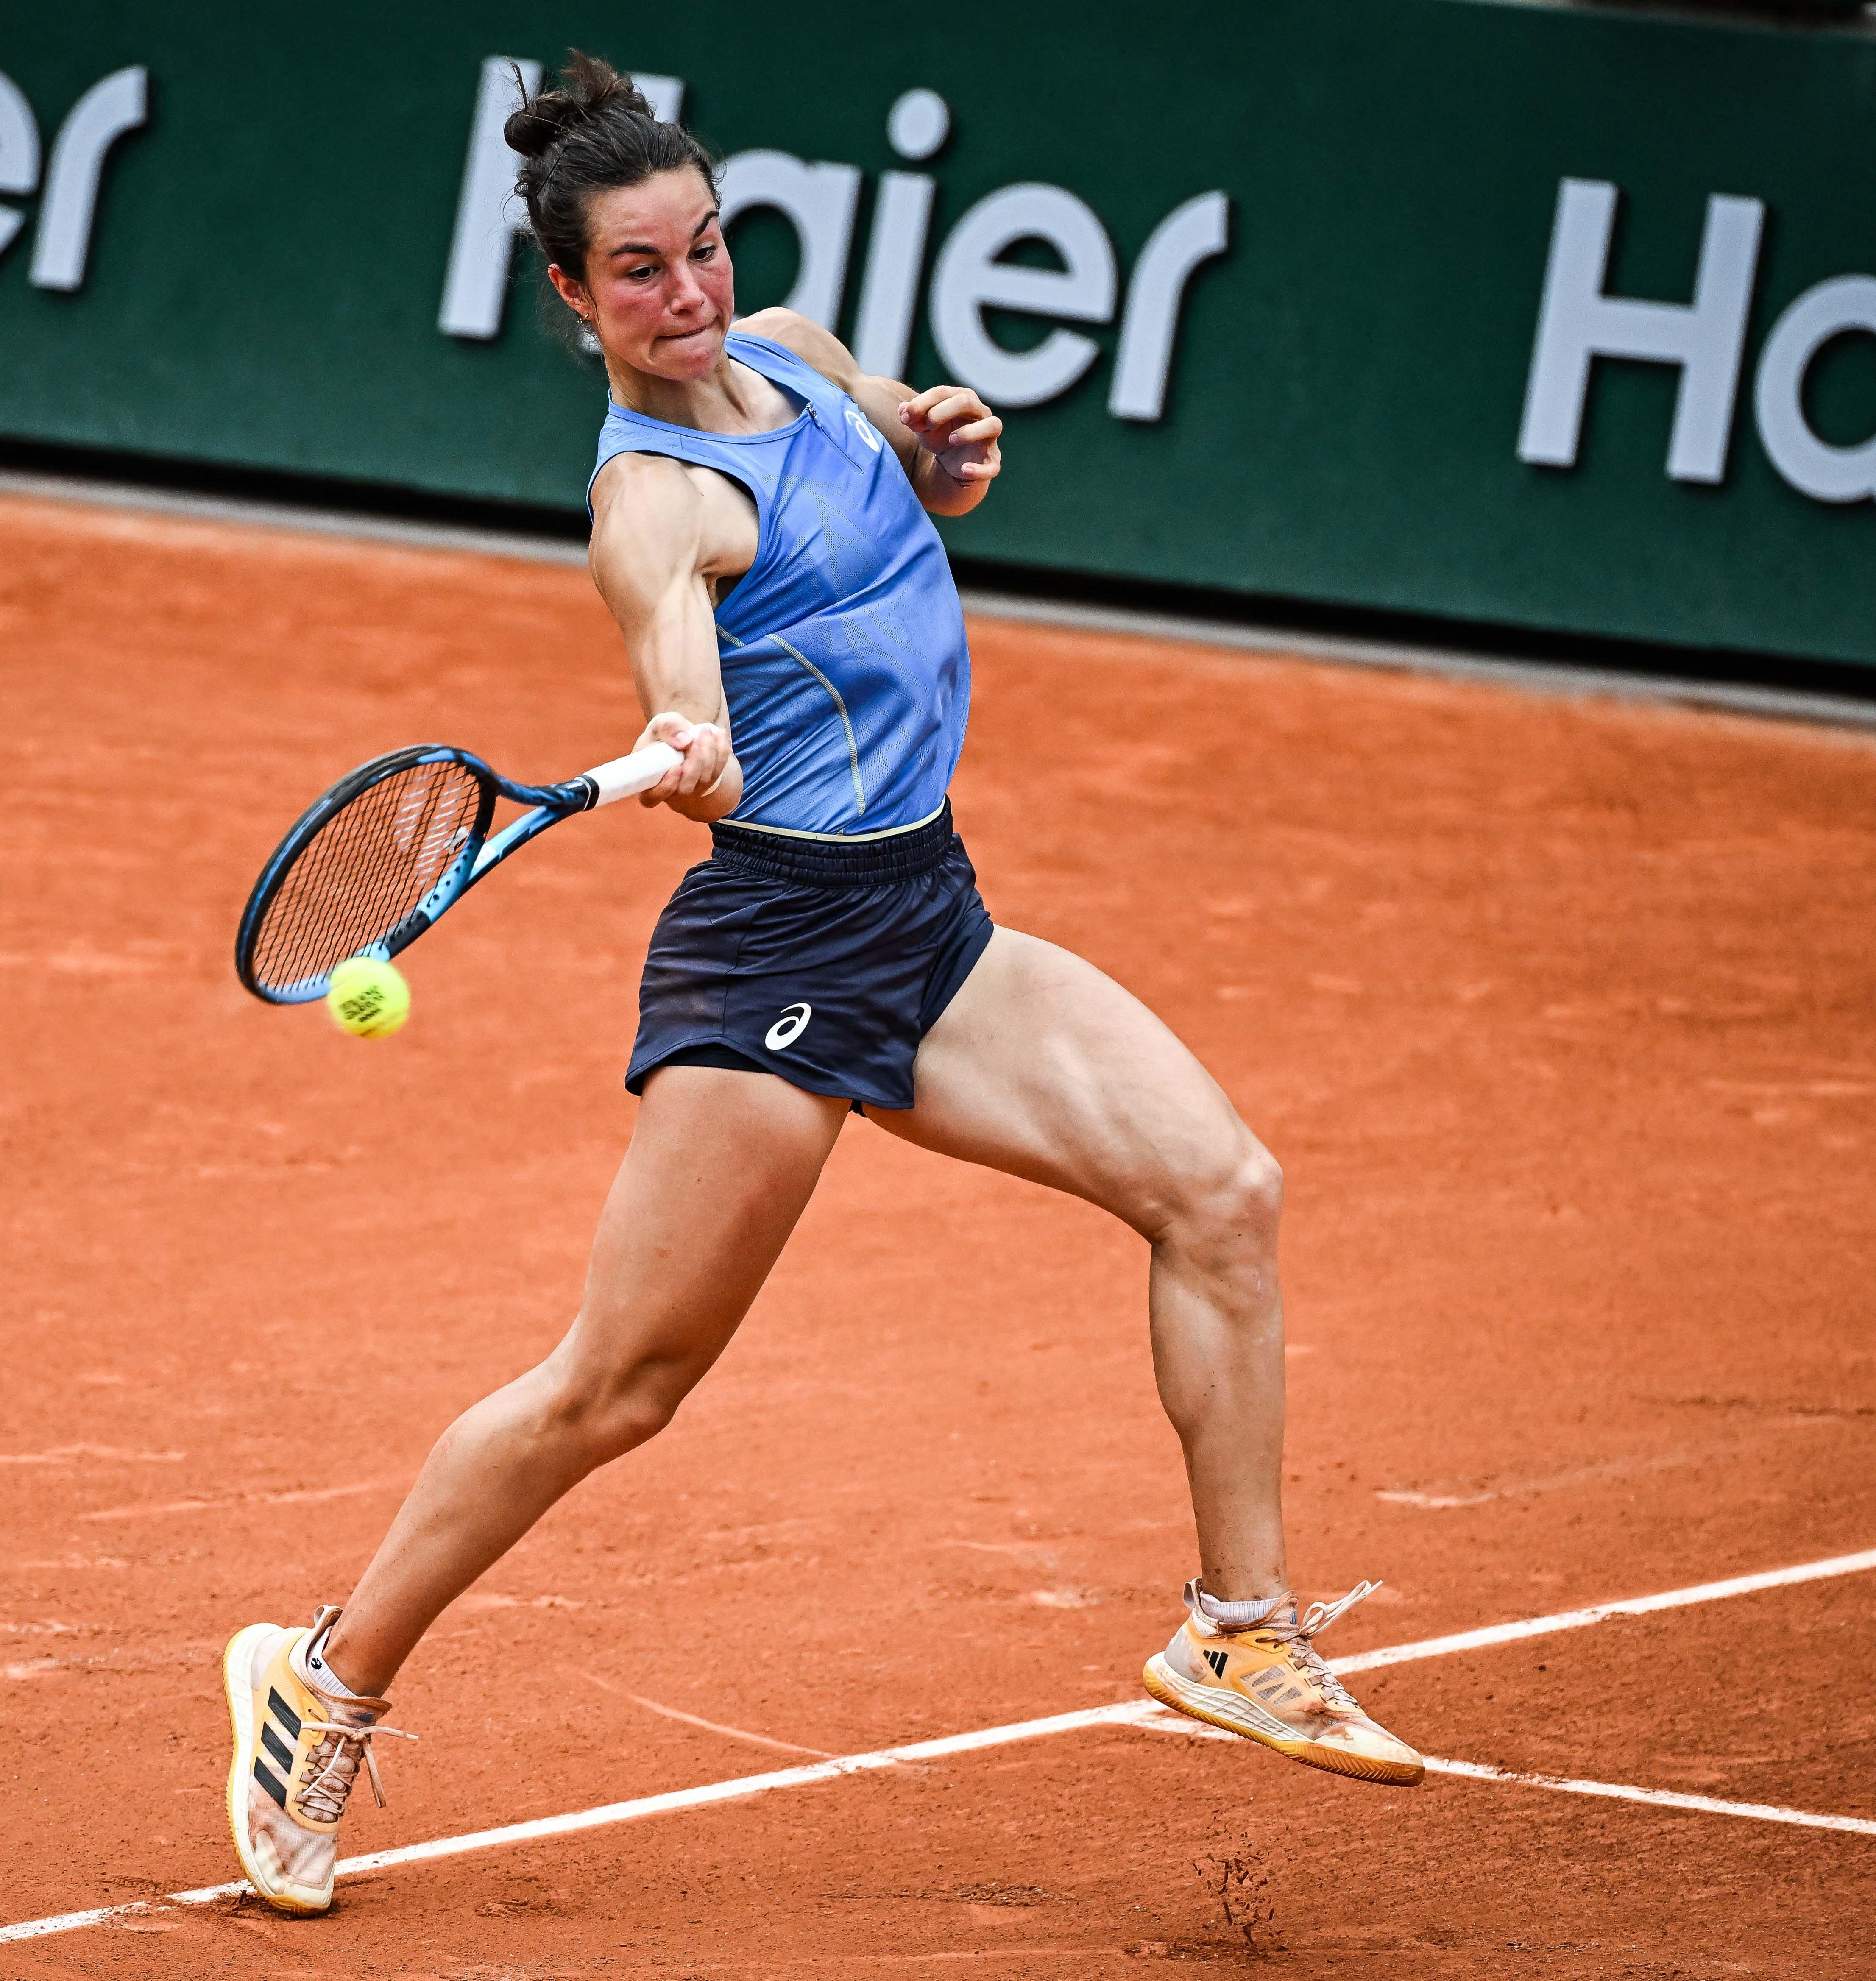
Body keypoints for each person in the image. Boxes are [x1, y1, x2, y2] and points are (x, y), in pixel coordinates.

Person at [222, 53, 1421, 1916]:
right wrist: (685, 737)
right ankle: (326, 1674)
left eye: (703, 246)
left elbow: (896, 466)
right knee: (619, 1386)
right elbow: (678, 655)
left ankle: (1239, 1629)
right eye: (638, 272)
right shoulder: (652, 501)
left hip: (925, 912)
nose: (689, 292)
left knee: (1222, 1191)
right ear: (572, 296)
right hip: (779, 947)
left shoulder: (787, 350)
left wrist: (937, 442)